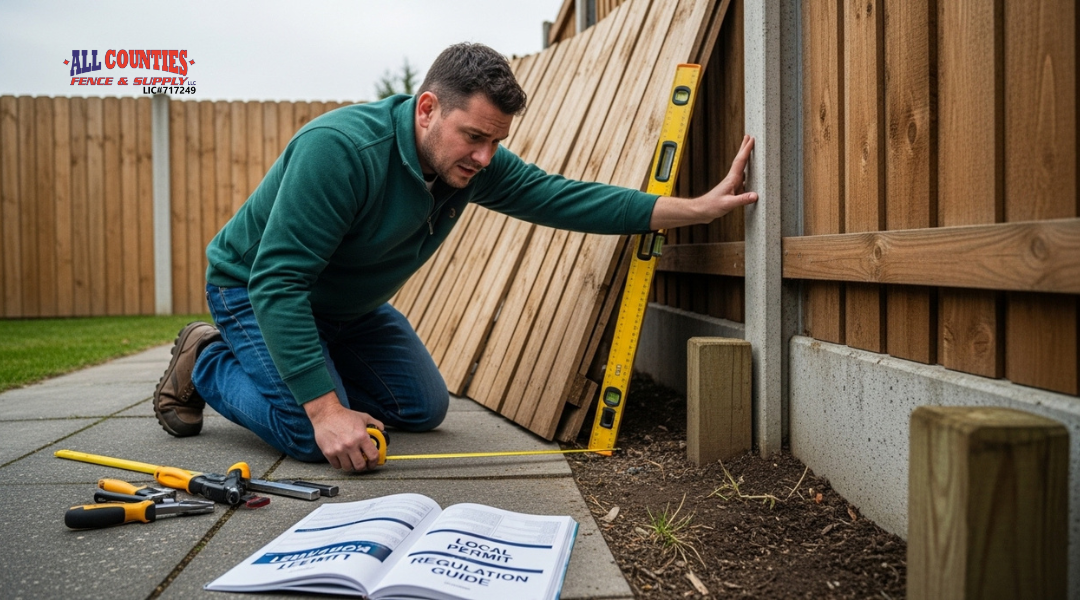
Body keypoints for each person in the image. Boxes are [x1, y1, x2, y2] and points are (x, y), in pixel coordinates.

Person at [153, 43, 757, 473]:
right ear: (427, 109)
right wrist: (325, 407)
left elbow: (565, 199)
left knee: (422, 407)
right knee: (314, 437)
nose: (486, 157)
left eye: (497, 141)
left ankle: (298, 367)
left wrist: (695, 209)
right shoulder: (338, 152)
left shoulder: (470, 168)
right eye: (474, 136)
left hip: (346, 308)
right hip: (253, 293)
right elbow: (279, 283)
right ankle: (206, 358)